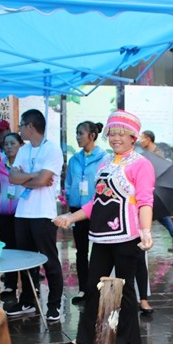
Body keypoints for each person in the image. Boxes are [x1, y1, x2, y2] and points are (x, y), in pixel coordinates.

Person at [56, 110, 155, 344]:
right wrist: (71, 217)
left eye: (122, 133)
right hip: (101, 235)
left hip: (127, 235)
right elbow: (95, 202)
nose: (116, 138)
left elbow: (145, 201)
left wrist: (146, 231)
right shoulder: (105, 164)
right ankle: (86, 337)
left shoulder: (141, 164)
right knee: (92, 286)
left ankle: (127, 339)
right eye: (112, 133)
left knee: (125, 287)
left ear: (133, 137)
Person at [5, 109, 65, 322]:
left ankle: (55, 305)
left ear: (30, 126)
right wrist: (32, 175)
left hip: (43, 213)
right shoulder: (24, 150)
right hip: (23, 212)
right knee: (26, 260)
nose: (19, 129)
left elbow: (44, 181)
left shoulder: (52, 150)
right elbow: (12, 177)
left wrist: (28, 179)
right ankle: (29, 300)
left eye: (21, 125)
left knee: (49, 260)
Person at [64, 121, 106, 304]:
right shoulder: (74, 159)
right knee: (81, 251)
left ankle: (98, 289)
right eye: (76, 133)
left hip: (97, 209)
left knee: (99, 251)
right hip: (77, 209)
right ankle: (83, 289)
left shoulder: (104, 158)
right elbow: (68, 182)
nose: (78, 137)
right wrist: (70, 199)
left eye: (81, 133)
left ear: (92, 136)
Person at [139, 129, 173, 251]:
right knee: (162, 216)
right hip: (150, 187)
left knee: (162, 216)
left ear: (148, 139)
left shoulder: (157, 153)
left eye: (142, 138)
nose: (140, 141)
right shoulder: (147, 153)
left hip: (155, 187)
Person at [0, 132, 23, 299]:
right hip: (4, 212)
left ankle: (28, 285)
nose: (9, 147)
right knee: (9, 249)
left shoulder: (24, 165)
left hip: (22, 213)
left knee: (24, 248)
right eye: (6, 144)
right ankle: (10, 285)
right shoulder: (0, 166)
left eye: (13, 143)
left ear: (21, 145)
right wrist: (5, 199)